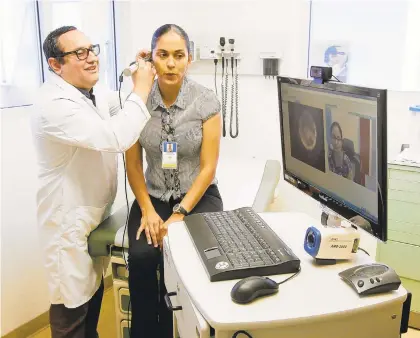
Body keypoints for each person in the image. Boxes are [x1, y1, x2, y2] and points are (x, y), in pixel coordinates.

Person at [31, 26, 155, 338]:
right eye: (79, 53)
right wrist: (140, 89)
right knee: (71, 312)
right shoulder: (54, 105)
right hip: (67, 224)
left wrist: (136, 75)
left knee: (91, 301)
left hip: (91, 217)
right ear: (55, 64)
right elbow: (116, 136)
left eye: (92, 49)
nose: (92, 59)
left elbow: (126, 106)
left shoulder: (91, 94)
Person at [125, 24, 223, 337]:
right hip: (152, 196)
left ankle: (195, 328)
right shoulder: (136, 103)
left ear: (189, 59)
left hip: (199, 195)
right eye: (163, 55)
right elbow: (133, 166)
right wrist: (148, 211)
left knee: (194, 260)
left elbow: (208, 167)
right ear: (150, 59)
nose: (171, 63)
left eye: (178, 55)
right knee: (142, 257)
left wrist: (180, 214)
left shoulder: (206, 101)